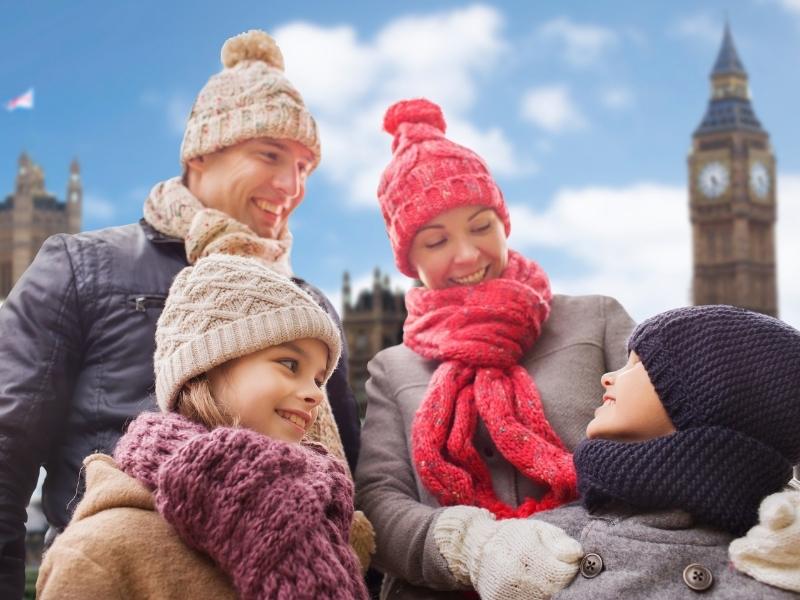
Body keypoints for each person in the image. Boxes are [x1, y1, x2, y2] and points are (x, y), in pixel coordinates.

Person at [0, 30, 360, 598]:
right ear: (201, 151)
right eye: (269, 155)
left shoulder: (309, 306)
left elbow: (351, 483)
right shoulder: (82, 267)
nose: (290, 186)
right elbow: (6, 453)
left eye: (305, 168)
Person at [354, 98, 635, 599]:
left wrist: (566, 540)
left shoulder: (597, 318)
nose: (466, 254)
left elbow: (671, 436)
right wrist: (473, 549)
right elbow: (378, 502)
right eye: (436, 241)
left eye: (481, 226)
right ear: (408, 258)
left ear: (504, 223)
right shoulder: (392, 369)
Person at [36, 254, 371, 599]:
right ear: (207, 366)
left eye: (319, 379)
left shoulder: (322, 521)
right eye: (289, 364)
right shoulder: (100, 551)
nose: (316, 394)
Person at [523, 304, 800, 598]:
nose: (608, 376)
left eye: (638, 363)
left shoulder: (776, 560)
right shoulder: (550, 536)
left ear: (717, 396)